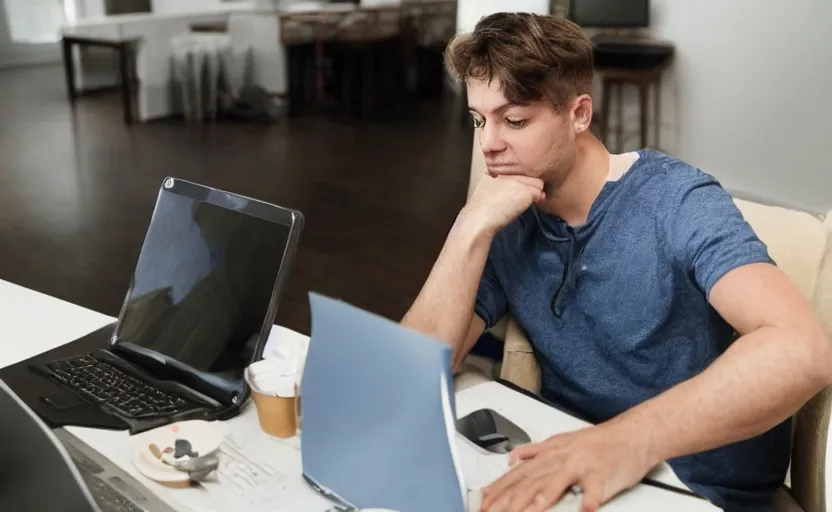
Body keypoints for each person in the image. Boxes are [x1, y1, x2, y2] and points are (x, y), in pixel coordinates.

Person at [401, 12, 832, 512]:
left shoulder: (676, 199)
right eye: (479, 119)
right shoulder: (506, 215)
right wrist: (468, 228)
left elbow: (802, 350)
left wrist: (627, 441)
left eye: (514, 120)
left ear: (579, 114)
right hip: (573, 472)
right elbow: (414, 373)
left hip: (696, 491)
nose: (489, 144)